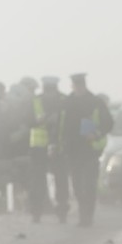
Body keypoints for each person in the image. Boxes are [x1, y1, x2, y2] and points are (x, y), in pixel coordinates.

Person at [61, 73, 113, 227]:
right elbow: (60, 126)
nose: (78, 88)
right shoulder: (66, 103)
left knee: (89, 185)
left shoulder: (95, 102)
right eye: (75, 85)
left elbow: (108, 123)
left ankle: (87, 217)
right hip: (72, 150)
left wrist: (96, 134)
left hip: (90, 150)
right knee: (77, 186)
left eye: (80, 85)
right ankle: (83, 213)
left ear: (84, 85)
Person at [28, 76, 68, 223]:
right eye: (47, 89)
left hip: (58, 146)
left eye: (51, 89)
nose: (49, 92)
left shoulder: (65, 100)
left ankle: (62, 211)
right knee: (38, 181)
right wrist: (37, 121)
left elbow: (70, 121)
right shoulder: (35, 101)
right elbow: (25, 120)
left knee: (60, 180)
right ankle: (36, 212)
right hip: (38, 147)